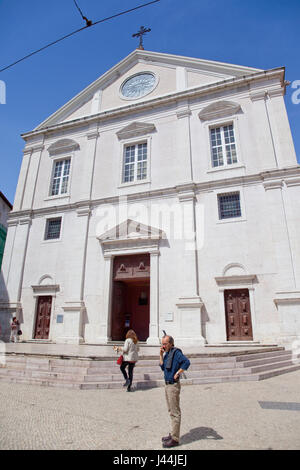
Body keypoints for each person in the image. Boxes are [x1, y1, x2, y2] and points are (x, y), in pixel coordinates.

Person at [159, 335, 190, 448]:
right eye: (162, 343)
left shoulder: (176, 353)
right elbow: (163, 367)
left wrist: (178, 373)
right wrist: (161, 355)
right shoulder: (167, 353)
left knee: (175, 412)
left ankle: (175, 439)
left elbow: (186, 362)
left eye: (165, 344)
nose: (163, 345)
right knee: (170, 410)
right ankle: (173, 434)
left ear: (171, 343)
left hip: (173, 385)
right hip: (167, 385)